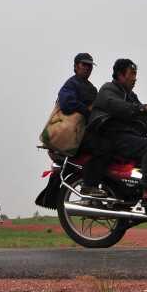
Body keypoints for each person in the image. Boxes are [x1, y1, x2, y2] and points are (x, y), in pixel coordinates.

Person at [90, 58, 147, 210]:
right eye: (132, 74)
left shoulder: (129, 94)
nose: (135, 78)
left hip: (129, 136)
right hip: (114, 137)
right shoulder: (108, 89)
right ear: (121, 75)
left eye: (135, 74)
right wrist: (145, 107)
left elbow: (142, 113)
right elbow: (120, 107)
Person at [55, 52, 109, 189]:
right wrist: (87, 110)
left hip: (88, 130)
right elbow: (67, 104)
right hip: (76, 134)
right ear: (76, 66)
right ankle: (89, 186)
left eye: (90, 66)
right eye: (84, 64)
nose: (88, 68)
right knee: (103, 148)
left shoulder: (92, 88)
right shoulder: (71, 84)